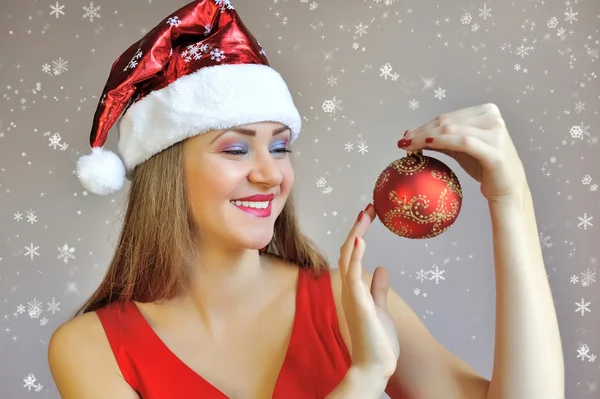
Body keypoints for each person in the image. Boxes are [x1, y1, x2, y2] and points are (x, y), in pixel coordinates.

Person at [47, 1, 564, 398]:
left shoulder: (348, 301)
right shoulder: (92, 348)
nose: (271, 174)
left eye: (279, 146)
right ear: (166, 170)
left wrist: (510, 201)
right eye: (234, 148)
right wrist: (362, 380)